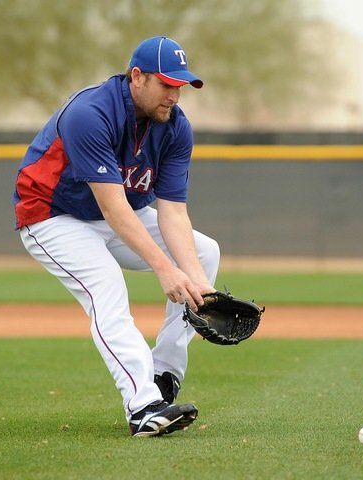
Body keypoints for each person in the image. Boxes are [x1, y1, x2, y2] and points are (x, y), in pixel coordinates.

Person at [13, 36, 220, 437]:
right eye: (166, 84)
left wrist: (197, 283)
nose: (174, 96)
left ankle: (163, 377)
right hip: (53, 215)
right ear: (137, 77)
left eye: (180, 86)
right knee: (106, 285)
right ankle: (143, 407)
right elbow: (114, 208)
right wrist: (165, 269)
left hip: (119, 215)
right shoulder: (90, 113)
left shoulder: (176, 128)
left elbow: (173, 212)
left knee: (205, 252)